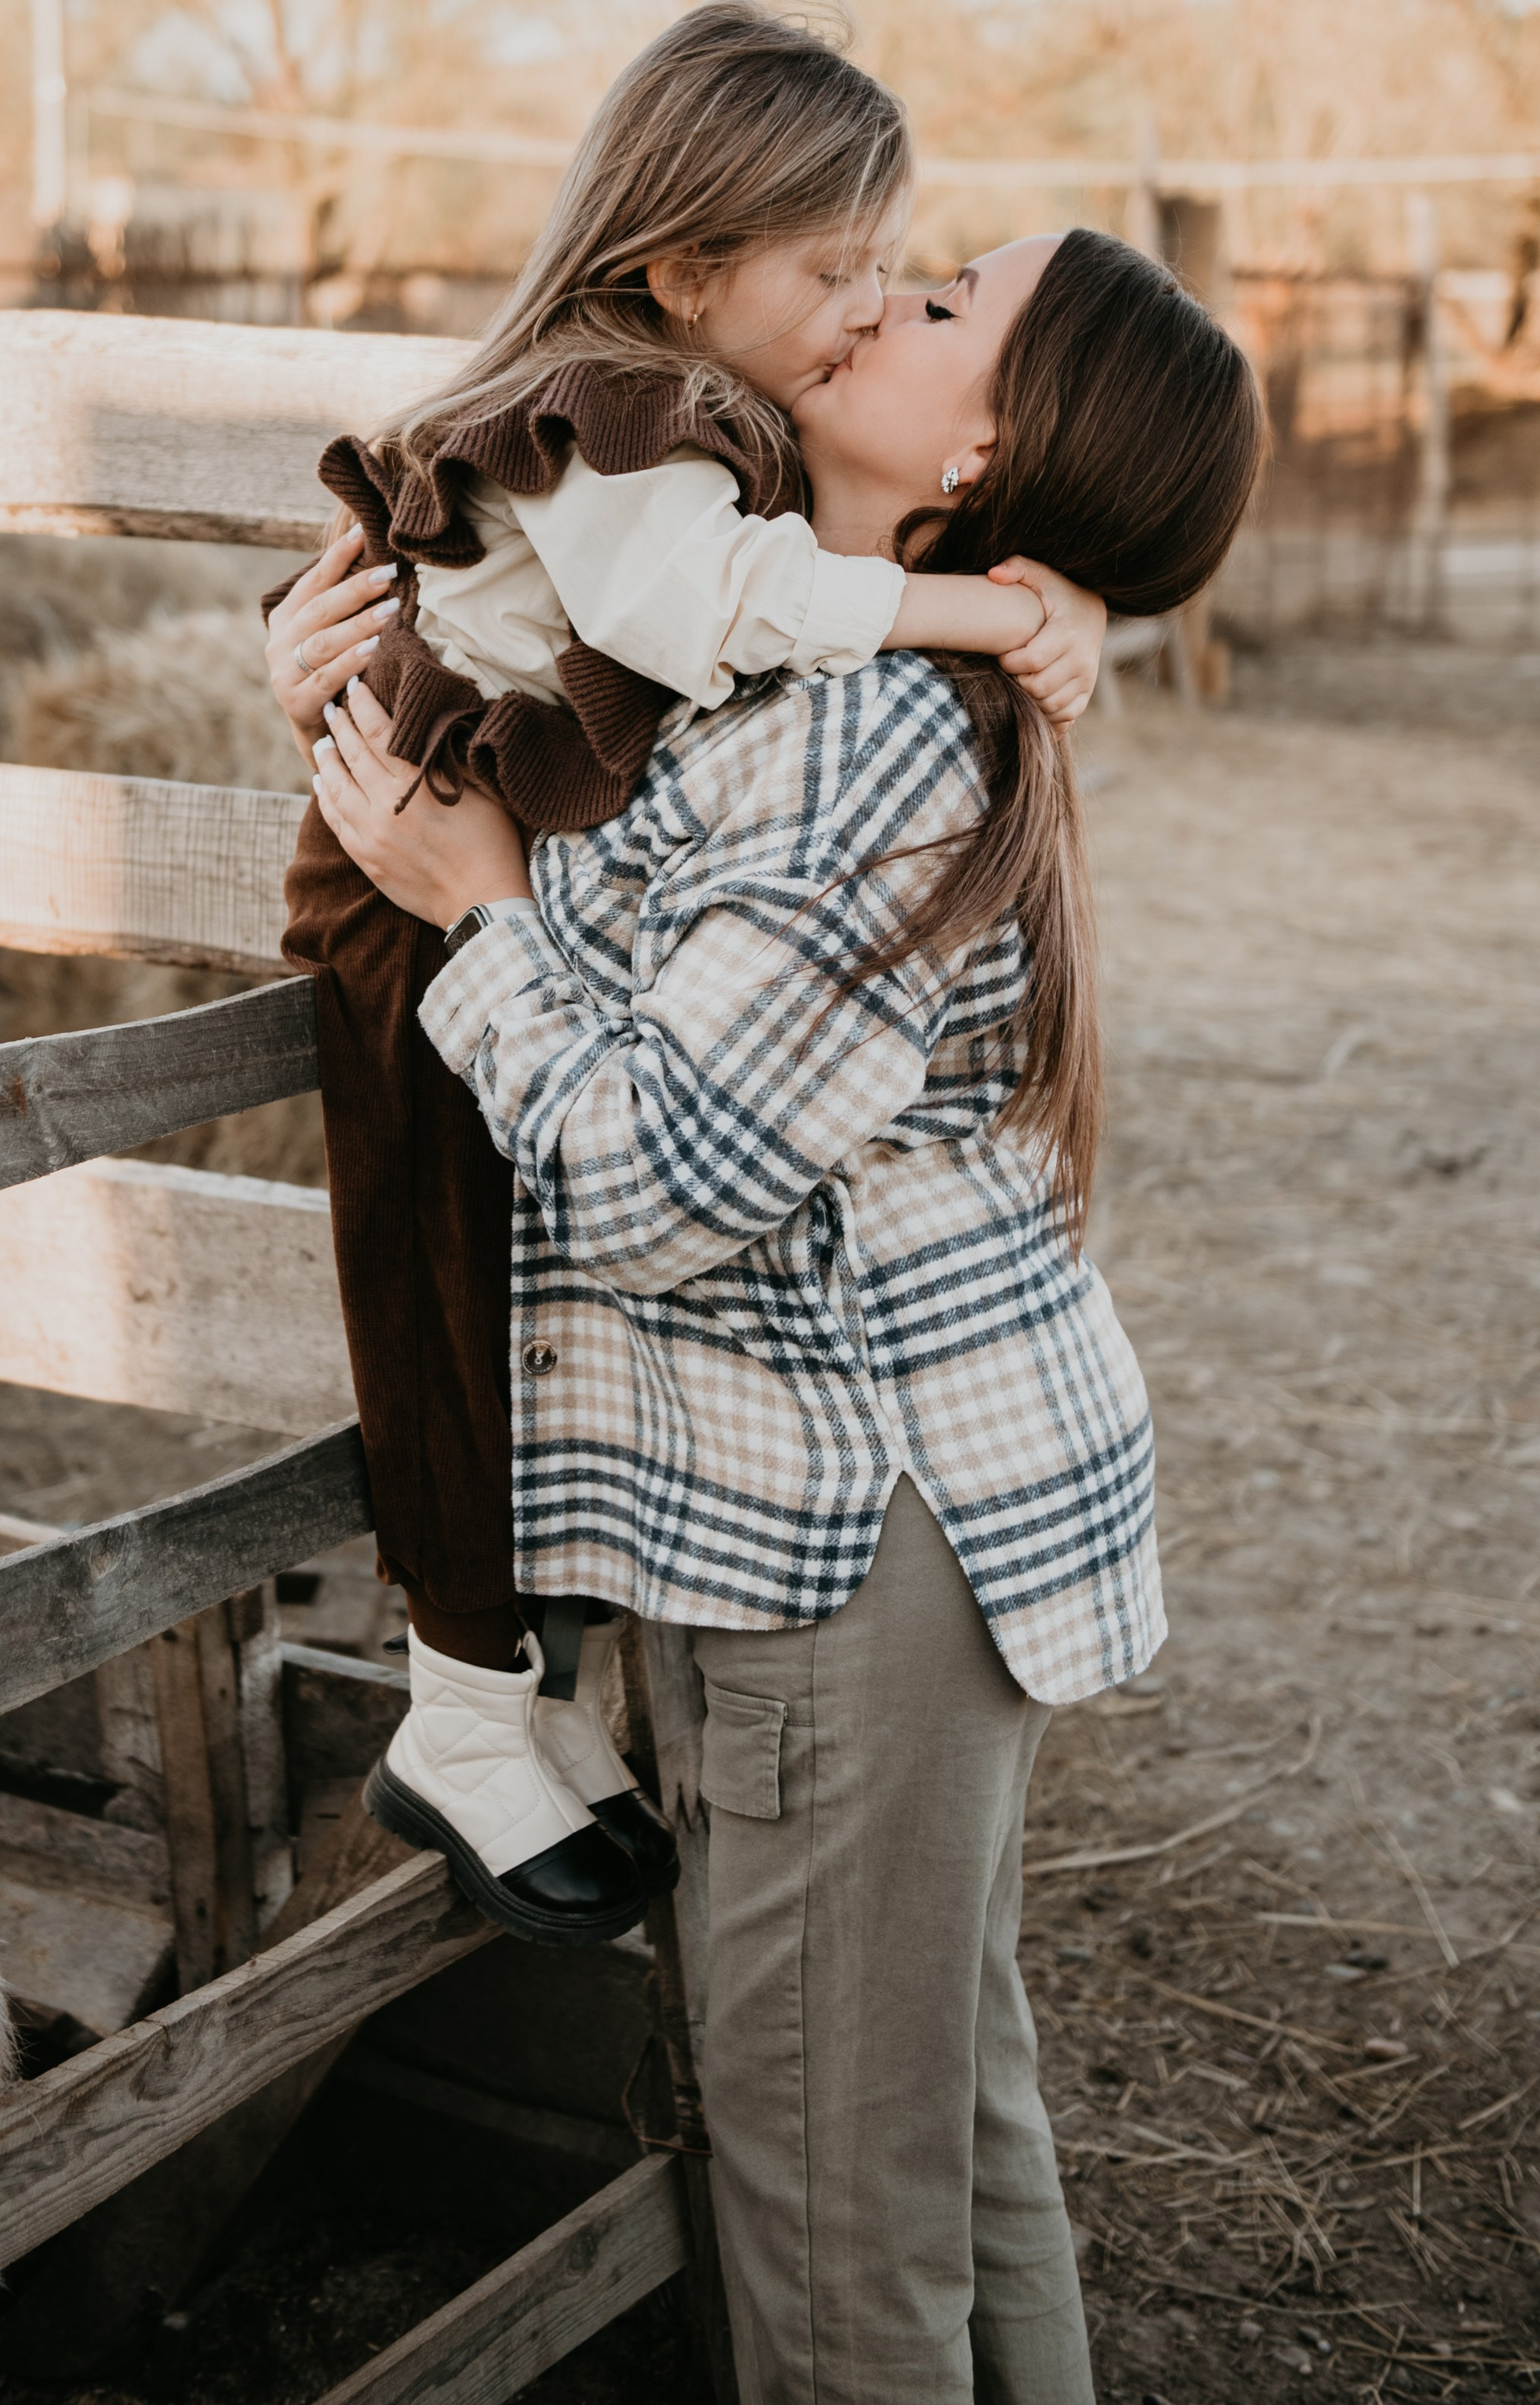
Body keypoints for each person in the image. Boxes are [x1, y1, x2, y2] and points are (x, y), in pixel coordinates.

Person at [306, 227, 1268, 2403]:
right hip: (885, 1525)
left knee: (835, 2235)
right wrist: (350, 682)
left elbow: (659, 1180)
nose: (883, 295)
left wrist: (470, 915)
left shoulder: (865, 750)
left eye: (945, 307)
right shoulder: (783, 669)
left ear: (986, 445)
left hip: (852, 1557)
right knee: (937, 2125)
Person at [262, 0, 1106, 1944]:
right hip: (415, 875)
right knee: (442, 1289)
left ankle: (497, 1693)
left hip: (473, 852)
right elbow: (711, 612)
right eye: (840, 271)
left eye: (898, 276)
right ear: (684, 267)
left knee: (500, 1296)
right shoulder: (625, 423)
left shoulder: (676, 420)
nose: (865, 306)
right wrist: (975, 601)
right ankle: (468, 1695)